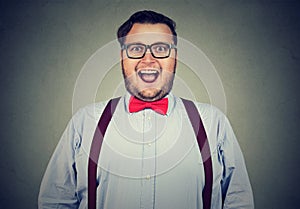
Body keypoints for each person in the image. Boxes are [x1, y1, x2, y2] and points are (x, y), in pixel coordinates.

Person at [38, 10, 254, 209]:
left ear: (174, 58)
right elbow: (56, 202)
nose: (148, 59)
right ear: (123, 57)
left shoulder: (213, 122)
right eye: (136, 49)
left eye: (161, 48)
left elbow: (239, 201)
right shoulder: (85, 122)